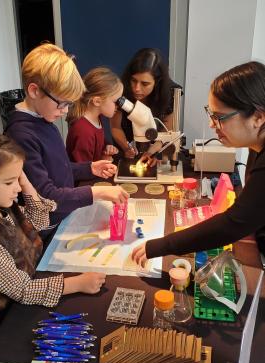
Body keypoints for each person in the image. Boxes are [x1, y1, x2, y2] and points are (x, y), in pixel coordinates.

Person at [132, 61, 265, 266]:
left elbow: (233, 225)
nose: (212, 124)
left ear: (258, 117)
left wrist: (160, 246)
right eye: (211, 114)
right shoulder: (256, 145)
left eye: (220, 117)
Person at [0, 130, 107, 330]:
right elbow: (21, 290)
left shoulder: (1, 206)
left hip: (32, 281)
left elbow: (40, 219)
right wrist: (77, 284)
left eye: (18, 179)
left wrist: (23, 180)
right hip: (7, 318)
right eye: (9, 182)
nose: (17, 189)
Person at [5, 43, 128, 235]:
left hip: (62, 216)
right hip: (45, 230)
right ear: (34, 91)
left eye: (68, 104)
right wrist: (97, 192)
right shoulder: (21, 135)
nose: (65, 112)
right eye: (61, 103)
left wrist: (89, 168)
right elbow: (45, 196)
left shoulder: (44, 120)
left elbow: (56, 168)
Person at [110, 47, 182, 162]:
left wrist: (150, 153)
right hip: (126, 146)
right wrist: (127, 148)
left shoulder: (169, 94)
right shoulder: (121, 90)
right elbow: (115, 127)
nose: (137, 88)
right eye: (133, 81)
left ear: (157, 82)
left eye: (145, 83)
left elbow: (166, 132)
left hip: (155, 146)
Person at [66, 67, 122, 163]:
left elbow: (97, 145)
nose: (119, 106)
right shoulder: (83, 131)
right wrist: (103, 160)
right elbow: (82, 170)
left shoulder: (96, 118)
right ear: (97, 101)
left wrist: (106, 148)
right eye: (115, 101)